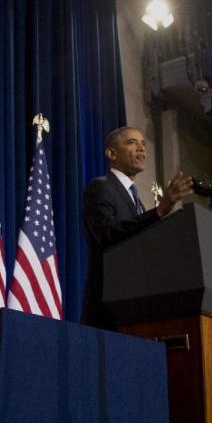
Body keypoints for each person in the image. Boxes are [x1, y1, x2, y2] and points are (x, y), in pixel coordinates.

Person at [81, 126, 192, 329]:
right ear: (111, 153)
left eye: (143, 143)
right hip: (108, 306)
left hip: (138, 305)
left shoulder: (137, 199)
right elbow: (108, 234)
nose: (141, 148)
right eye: (132, 142)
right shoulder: (101, 187)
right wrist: (159, 211)